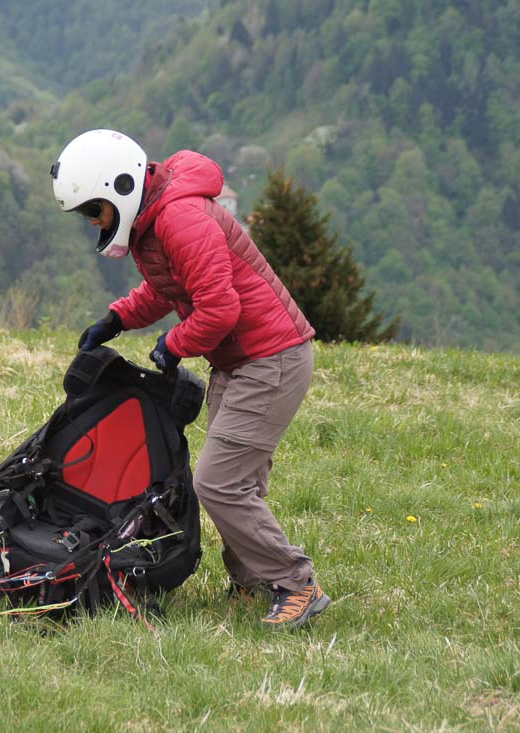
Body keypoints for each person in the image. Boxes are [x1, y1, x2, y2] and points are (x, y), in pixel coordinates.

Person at [50, 128, 328, 629]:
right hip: (242, 360)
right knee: (237, 481)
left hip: (272, 359)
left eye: (93, 210)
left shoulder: (180, 219)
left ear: (119, 188)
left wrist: (174, 344)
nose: (92, 222)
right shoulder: (156, 220)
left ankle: (296, 584)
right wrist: (117, 319)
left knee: (220, 483)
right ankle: (251, 582)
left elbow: (220, 309)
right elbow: (166, 288)